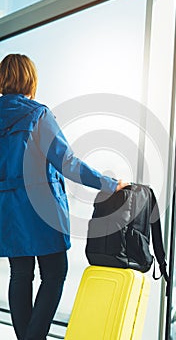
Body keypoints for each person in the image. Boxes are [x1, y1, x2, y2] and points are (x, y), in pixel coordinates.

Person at [0, 54, 128, 340]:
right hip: (41, 210)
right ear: (30, 79)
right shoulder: (37, 114)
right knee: (55, 273)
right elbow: (68, 163)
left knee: (20, 274)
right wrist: (108, 184)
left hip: (8, 212)